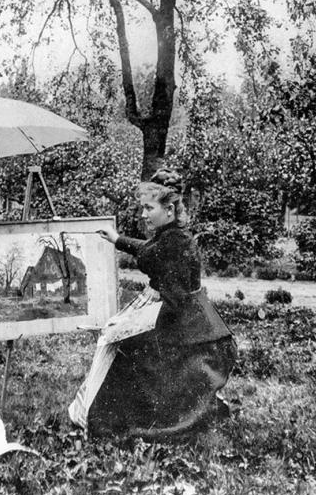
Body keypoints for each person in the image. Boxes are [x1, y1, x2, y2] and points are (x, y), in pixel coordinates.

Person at [82, 168, 236, 439]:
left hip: (187, 326)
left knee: (131, 356)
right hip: (180, 316)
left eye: (148, 208)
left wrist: (138, 328)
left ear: (170, 209)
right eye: (142, 207)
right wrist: (118, 240)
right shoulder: (171, 235)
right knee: (126, 350)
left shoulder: (176, 242)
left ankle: (117, 424)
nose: (143, 214)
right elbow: (150, 250)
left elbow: (160, 272)